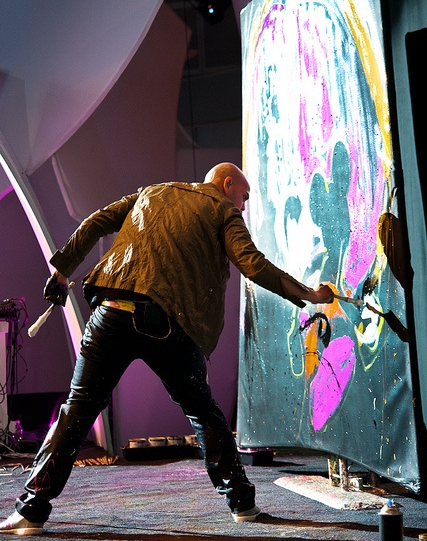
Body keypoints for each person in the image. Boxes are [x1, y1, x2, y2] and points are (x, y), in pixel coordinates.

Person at [0, 162, 334, 535]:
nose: (243, 206)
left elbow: (96, 222)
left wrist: (61, 273)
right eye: (244, 197)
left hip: (112, 312)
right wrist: (308, 293)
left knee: (77, 410)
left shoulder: (152, 191)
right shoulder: (222, 210)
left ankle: (30, 512)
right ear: (227, 185)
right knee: (203, 412)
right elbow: (252, 264)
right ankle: (243, 505)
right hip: (170, 323)